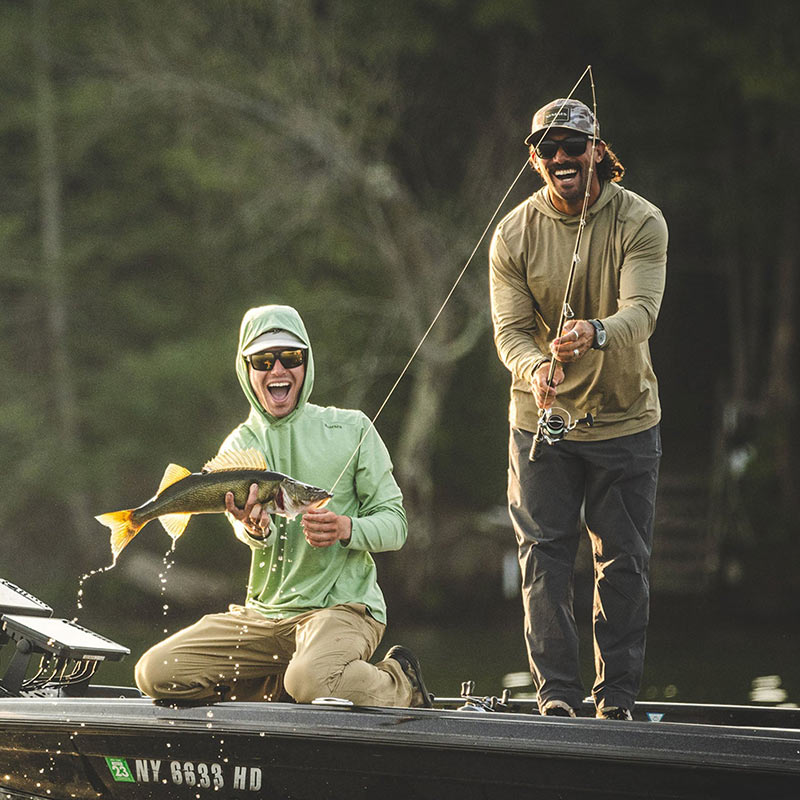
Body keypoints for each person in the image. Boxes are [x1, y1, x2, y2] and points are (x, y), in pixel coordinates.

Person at [135, 303, 432, 708]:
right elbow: (246, 529)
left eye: (290, 357)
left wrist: (347, 528)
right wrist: (254, 529)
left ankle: (401, 681)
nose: (278, 369)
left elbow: (396, 526)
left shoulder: (352, 428)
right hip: (263, 617)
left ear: (306, 363)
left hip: (343, 609)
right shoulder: (238, 444)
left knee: (311, 679)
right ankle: (283, 687)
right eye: (263, 360)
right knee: (154, 673)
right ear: (247, 370)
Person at [489, 98, 668, 720]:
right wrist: (535, 367)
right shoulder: (513, 235)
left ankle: (615, 701)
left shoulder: (641, 221)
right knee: (544, 561)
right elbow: (511, 333)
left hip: (625, 419)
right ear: (534, 159)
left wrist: (594, 332)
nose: (561, 157)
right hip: (541, 423)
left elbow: (642, 313)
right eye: (548, 148)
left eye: (573, 145)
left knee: (623, 564)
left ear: (597, 150)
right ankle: (557, 699)